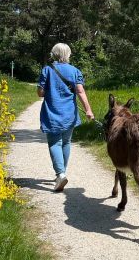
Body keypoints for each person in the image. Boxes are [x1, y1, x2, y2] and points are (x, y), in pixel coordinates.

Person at [37, 43, 94, 191]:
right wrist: (88, 110)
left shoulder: (47, 70)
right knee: (66, 142)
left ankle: (60, 174)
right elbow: (80, 92)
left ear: (53, 54)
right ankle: (62, 173)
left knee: (55, 143)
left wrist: (50, 89)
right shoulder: (75, 71)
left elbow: (40, 93)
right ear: (67, 54)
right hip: (70, 114)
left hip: (52, 113)